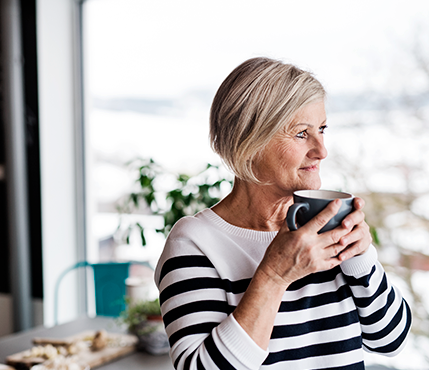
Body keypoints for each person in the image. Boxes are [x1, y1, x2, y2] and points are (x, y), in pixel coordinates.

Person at [154, 57, 411, 370]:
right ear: (250, 141)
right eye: (302, 133)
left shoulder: (327, 228)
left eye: (322, 129)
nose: (322, 150)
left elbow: (390, 340)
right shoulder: (195, 243)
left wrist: (361, 256)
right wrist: (274, 276)